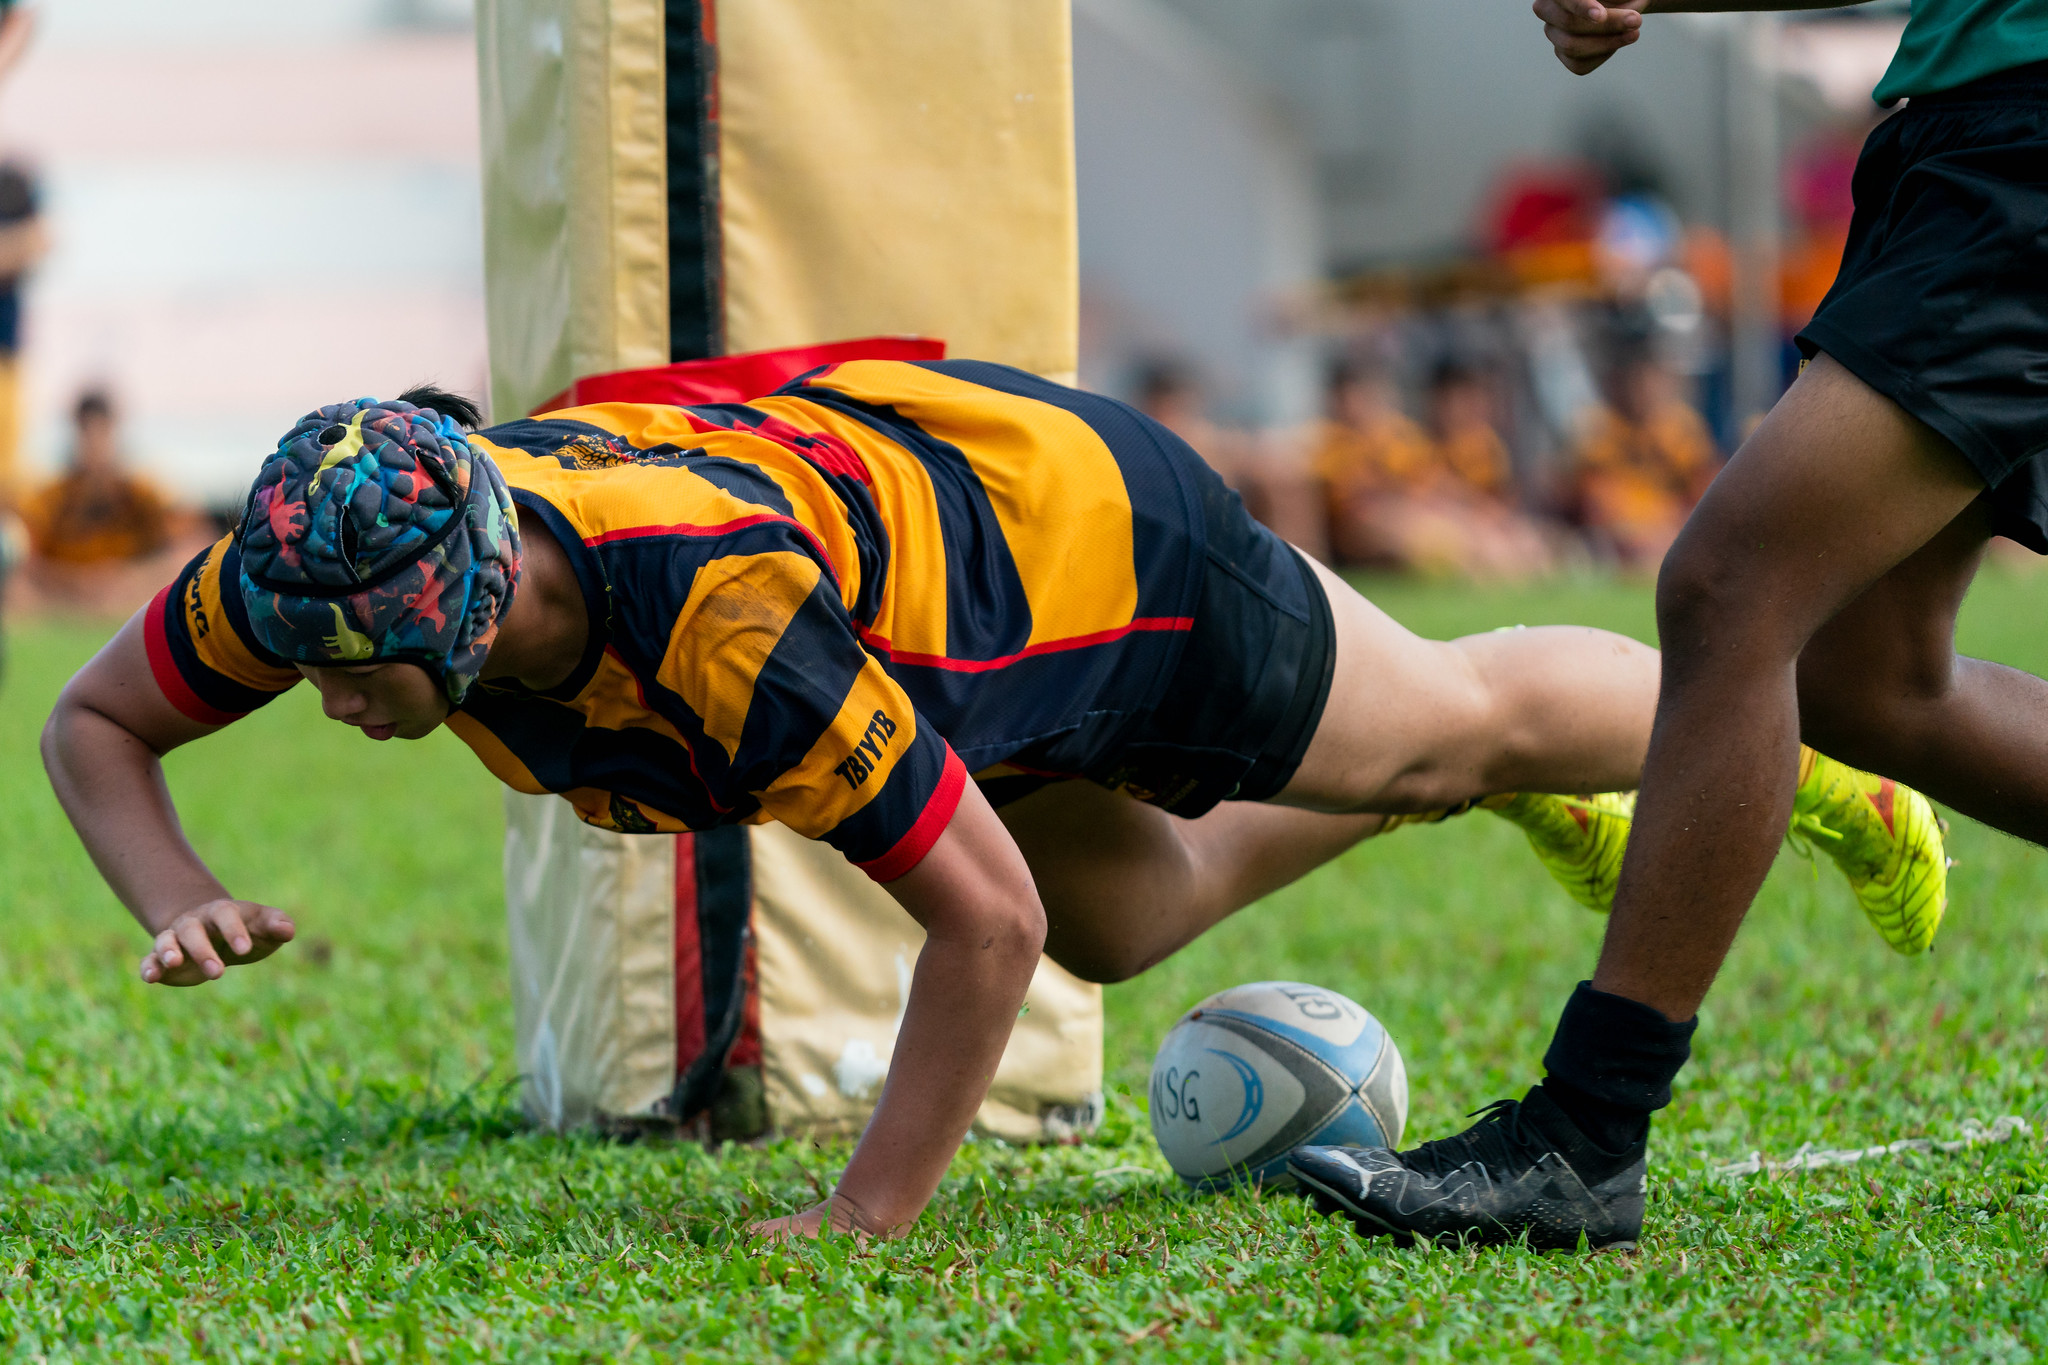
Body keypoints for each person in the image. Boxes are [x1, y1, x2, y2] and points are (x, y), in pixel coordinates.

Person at [42, 362, 1939, 1244]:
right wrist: (171, 894)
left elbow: (983, 927)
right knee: (1136, 916)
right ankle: (1525, 793)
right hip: (929, 616)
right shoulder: (327, 551)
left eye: (352, 676)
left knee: (1446, 718)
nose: (319, 699)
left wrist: (865, 1220)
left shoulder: (714, 621)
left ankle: (1767, 754)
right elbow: (95, 726)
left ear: (473, 605)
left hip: (1087, 551)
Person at [1291, 0, 2024, 1253]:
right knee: (1869, 676)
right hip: (1962, 132)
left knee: (1731, 587)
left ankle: (1583, 1136)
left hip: (2021, 146)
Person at [1569, 332, 1720, 571]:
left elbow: (1708, 497)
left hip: (1671, 530)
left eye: (1651, 378)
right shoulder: (1599, 429)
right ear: (1617, 382)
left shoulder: (1681, 428)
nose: (1644, 389)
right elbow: (1598, 507)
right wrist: (1646, 528)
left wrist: (1674, 524)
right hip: (1622, 536)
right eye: (1636, 379)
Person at [22, 389, 171, 566]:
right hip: (63, 591)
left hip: (134, 590)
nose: (95, 444)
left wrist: (128, 579)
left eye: (102, 432)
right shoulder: (51, 502)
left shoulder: (142, 498)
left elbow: (188, 548)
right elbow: (22, 558)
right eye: (87, 432)